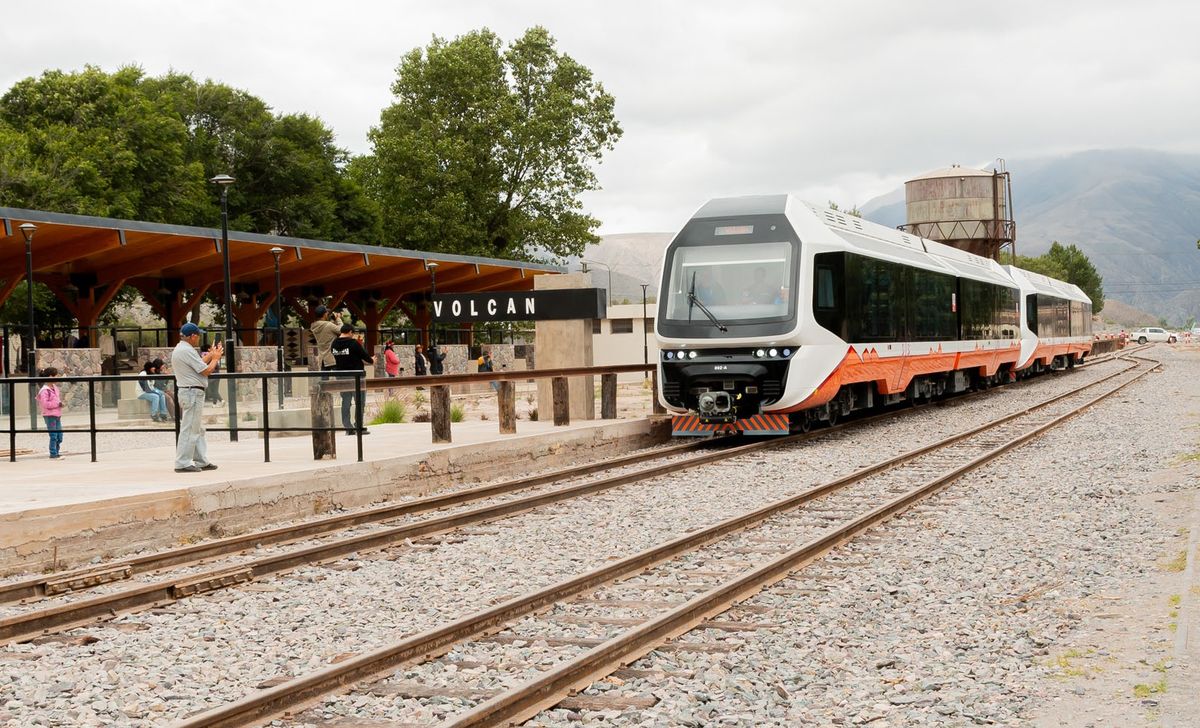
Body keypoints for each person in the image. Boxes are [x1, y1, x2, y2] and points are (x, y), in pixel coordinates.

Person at [172, 323, 222, 473]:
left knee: (197, 428)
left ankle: (201, 460)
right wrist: (216, 358)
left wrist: (211, 355)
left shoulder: (183, 349)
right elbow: (206, 370)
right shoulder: (186, 350)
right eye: (198, 335)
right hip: (192, 392)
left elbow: (199, 364)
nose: (198, 338)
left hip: (190, 392)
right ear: (193, 336)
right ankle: (182, 462)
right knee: (190, 428)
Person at [331, 324, 374, 435]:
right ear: (350, 332)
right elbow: (367, 358)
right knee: (360, 402)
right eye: (353, 333)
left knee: (345, 402)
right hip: (356, 377)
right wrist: (373, 359)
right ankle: (358, 426)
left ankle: (348, 428)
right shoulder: (353, 343)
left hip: (341, 376)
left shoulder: (334, 344)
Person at [35, 367, 64, 459]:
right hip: (50, 415)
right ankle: (53, 453)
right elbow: (45, 404)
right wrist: (58, 404)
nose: (57, 377)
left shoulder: (54, 388)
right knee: (54, 435)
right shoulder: (44, 390)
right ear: (51, 376)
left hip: (57, 415)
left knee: (60, 435)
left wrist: (59, 404)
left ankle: (56, 451)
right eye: (56, 376)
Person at [308, 305, 341, 371]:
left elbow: (328, 330)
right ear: (325, 314)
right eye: (327, 313)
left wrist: (333, 322)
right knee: (339, 379)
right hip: (332, 357)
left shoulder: (313, 326)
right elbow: (342, 330)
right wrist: (338, 319)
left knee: (323, 380)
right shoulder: (329, 325)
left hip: (322, 358)